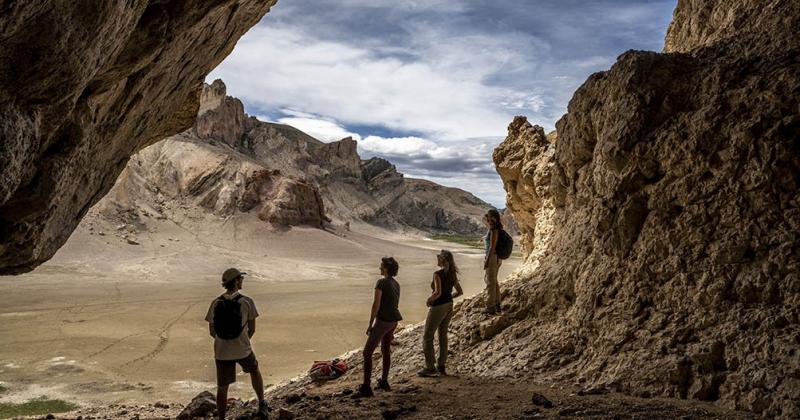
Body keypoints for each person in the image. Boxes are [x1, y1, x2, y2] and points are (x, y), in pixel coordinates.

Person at [205, 268, 269, 419]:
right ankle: (262, 403)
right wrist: (240, 341)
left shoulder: (215, 303)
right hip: (243, 349)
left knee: (222, 386)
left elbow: (211, 331)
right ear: (236, 281)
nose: (242, 281)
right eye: (241, 279)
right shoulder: (247, 302)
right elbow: (252, 329)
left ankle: (222, 418)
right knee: (254, 370)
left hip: (222, 351)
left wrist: (224, 341)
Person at [356, 257, 402, 397]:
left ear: (386, 268)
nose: (379, 268)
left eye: (381, 266)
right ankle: (384, 381)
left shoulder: (381, 282)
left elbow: (376, 304)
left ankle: (366, 387)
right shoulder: (396, 284)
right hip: (394, 321)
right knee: (385, 349)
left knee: (367, 353)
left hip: (384, 321)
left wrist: (371, 324)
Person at [418, 250, 463, 377]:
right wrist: (449, 297)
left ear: (442, 260)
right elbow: (459, 292)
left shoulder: (437, 274)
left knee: (428, 336)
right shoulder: (452, 273)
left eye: (438, 258)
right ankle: (441, 365)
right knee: (443, 335)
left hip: (438, 307)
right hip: (449, 306)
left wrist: (429, 300)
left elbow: (437, 292)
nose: (437, 260)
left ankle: (429, 367)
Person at [483, 209, 503, 314]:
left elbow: (492, 247)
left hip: (492, 258)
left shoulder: (494, 229)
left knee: (490, 282)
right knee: (494, 281)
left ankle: (490, 307)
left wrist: (487, 260)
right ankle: (497, 304)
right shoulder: (495, 227)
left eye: (489, 217)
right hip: (496, 258)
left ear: (493, 218)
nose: (487, 219)